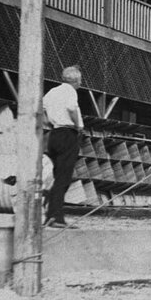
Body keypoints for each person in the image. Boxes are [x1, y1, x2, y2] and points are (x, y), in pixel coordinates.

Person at [41, 65, 85, 228]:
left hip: (54, 134)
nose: (80, 82)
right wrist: (78, 125)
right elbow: (71, 108)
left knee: (54, 176)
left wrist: (49, 122)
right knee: (63, 177)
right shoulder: (70, 91)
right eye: (80, 79)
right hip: (68, 133)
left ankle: (50, 214)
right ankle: (56, 217)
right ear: (75, 80)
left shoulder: (53, 91)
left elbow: (42, 107)